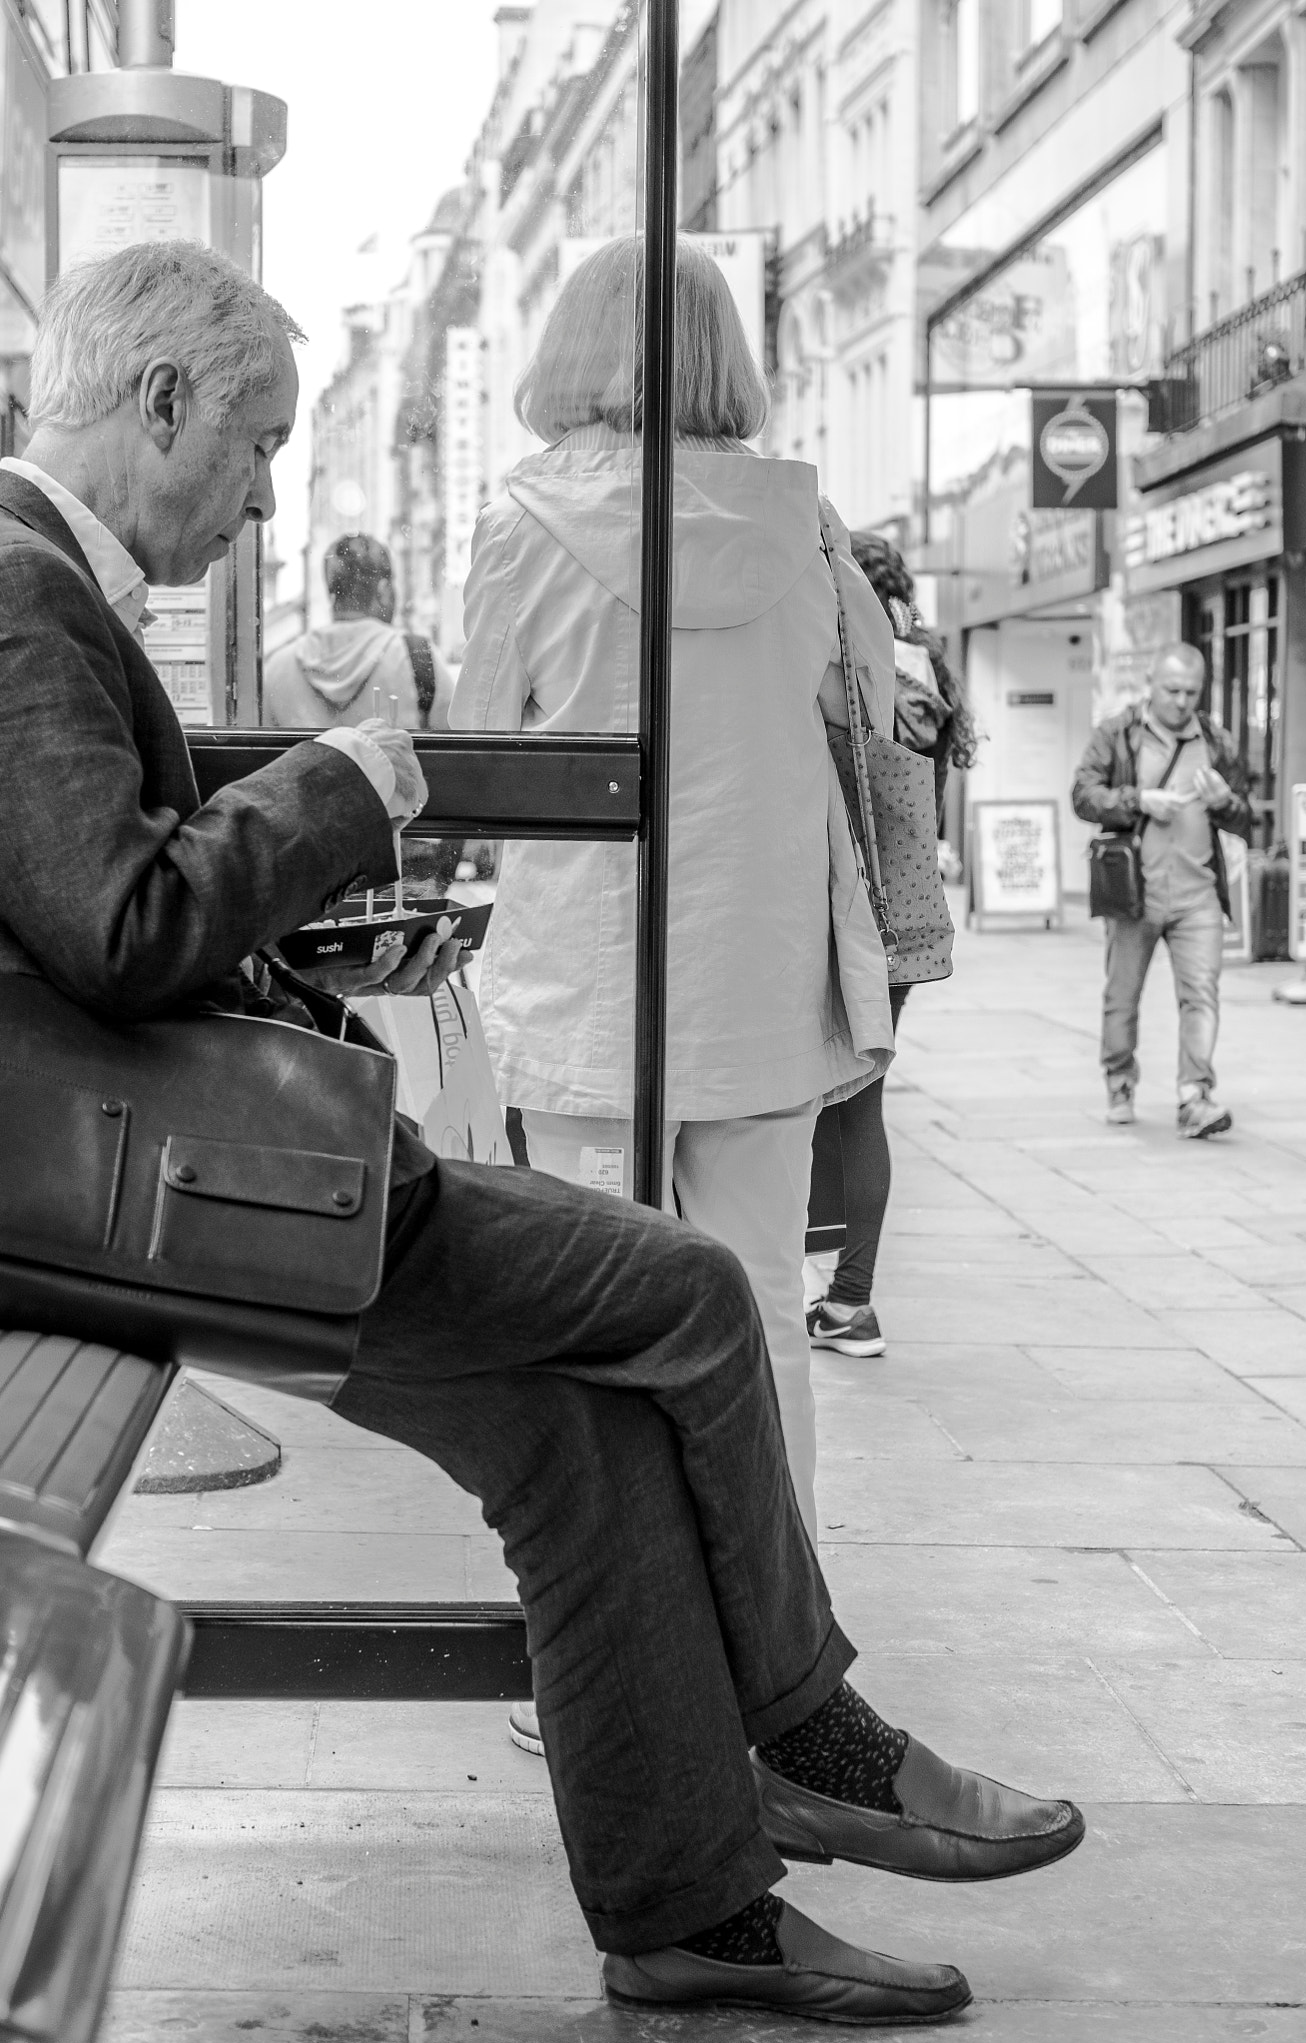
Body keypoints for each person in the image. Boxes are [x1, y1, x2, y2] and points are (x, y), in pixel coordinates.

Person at [0, 239, 1084, 2028]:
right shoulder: (0, 600)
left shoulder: (1, 584)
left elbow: (82, 918)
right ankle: (813, 1730)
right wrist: (346, 778)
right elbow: (119, 930)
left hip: (161, 1166)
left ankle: (694, 1913)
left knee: (577, 1439)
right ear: (159, 398)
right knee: (692, 1294)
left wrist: (312, 898)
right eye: (256, 440)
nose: (266, 489)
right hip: (179, 1194)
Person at [452, 236, 896, 1548]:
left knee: (599, 1317)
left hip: (589, 980)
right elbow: (865, 700)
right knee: (762, 1302)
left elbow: (474, 748)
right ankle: (779, 1643)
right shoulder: (806, 523)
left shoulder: (524, 526)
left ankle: (613, 1663)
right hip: (759, 971)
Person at [808, 535, 977, 1360]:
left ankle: (816, 1288)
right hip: (907, 916)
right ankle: (849, 1300)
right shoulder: (932, 664)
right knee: (861, 1100)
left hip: (836, 905)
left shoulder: (849, 661)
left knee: (805, 1098)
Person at [1071, 642, 1252, 1137]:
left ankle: (1196, 1095)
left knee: (1202, 996)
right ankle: (1120, 1080)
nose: (1181, 701)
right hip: (1136, 894)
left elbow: (1245, 816)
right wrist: (1138, 800)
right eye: (1172, 690)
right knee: (1123, 996)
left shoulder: (1216, 740)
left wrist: (1227, 803)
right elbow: (1083, 796)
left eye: (1191, 692)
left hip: (1199, 895)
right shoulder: (1118, 733)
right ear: (1151, 683)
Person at [264, 531, 455, 734]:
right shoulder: (417, 657)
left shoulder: (279, 666)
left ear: (331, 592)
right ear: (383, 590)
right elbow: (452, 744)